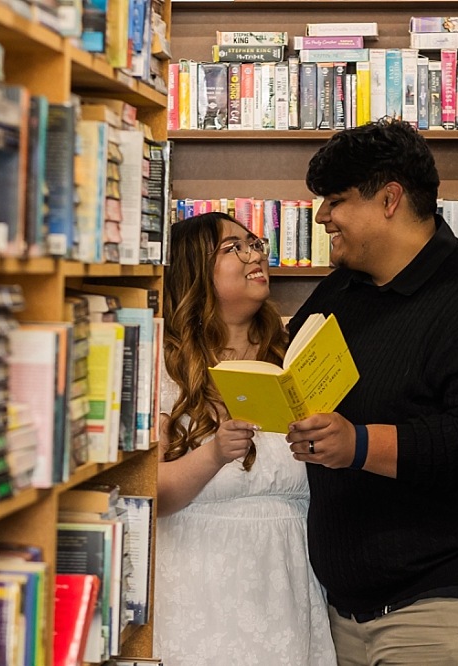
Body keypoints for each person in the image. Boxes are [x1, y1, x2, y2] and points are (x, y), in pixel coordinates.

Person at [284, 119, 458, 666]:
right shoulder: (343, 288)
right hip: (356, 610)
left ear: (389, 199)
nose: (322, 217)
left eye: (336, 201)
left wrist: (359, 445)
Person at [153, 212, 336, 666]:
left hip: (289, 583)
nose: (255, 254)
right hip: (201, 586)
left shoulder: (290, 355)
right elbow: (153, 493)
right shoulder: (165, 365)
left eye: (254, 242)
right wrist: (214, 453)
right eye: (234, 247)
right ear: (195, 271)